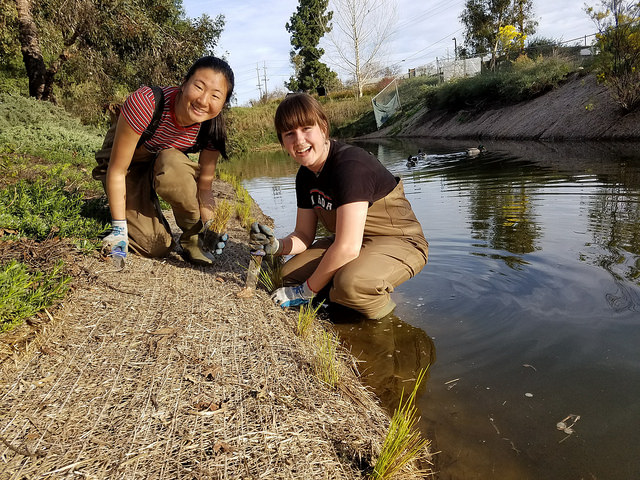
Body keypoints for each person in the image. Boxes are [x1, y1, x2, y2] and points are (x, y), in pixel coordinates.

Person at [250, 93, 429, 319]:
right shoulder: (304, 176)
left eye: (306, 128)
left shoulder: (350, 166)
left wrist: (305, 291)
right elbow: (304, 235)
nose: (299, 140)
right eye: (289, 133)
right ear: (282, 141)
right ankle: (340, 299)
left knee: (350, 285)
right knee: (287, 277)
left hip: (399, 241)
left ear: (323, 127)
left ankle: (389, 319)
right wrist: (277, 246)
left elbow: (347, 247)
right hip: (352, 241)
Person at [93, 56, 234, 266]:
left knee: (174, 164)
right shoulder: (146, 103)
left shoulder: (211, 129)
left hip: (159, 165)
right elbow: (117, 170)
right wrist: (119, 230)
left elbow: (204, 188)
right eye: (199, 87)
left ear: (222, 104)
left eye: (215, 95)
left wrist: (210, 225)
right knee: (155, 246)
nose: (203, 101)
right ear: (184, 83)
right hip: (126, 169)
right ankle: (124, 215)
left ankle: (191, 238)